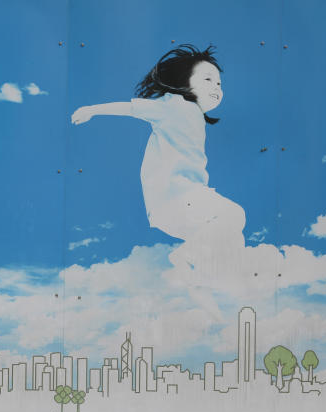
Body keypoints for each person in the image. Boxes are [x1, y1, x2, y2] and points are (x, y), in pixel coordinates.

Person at [71, 45, 245, 269]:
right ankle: (185, 257)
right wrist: (91, 110)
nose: (216, 87)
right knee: (234, 214)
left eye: (219, 83)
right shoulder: (174, 105)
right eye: (208, 80)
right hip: (178, 197)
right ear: (185, 82)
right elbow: (130, 108)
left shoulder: (195, 116)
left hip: (175, 212)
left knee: (229, 236)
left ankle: (201, 279)